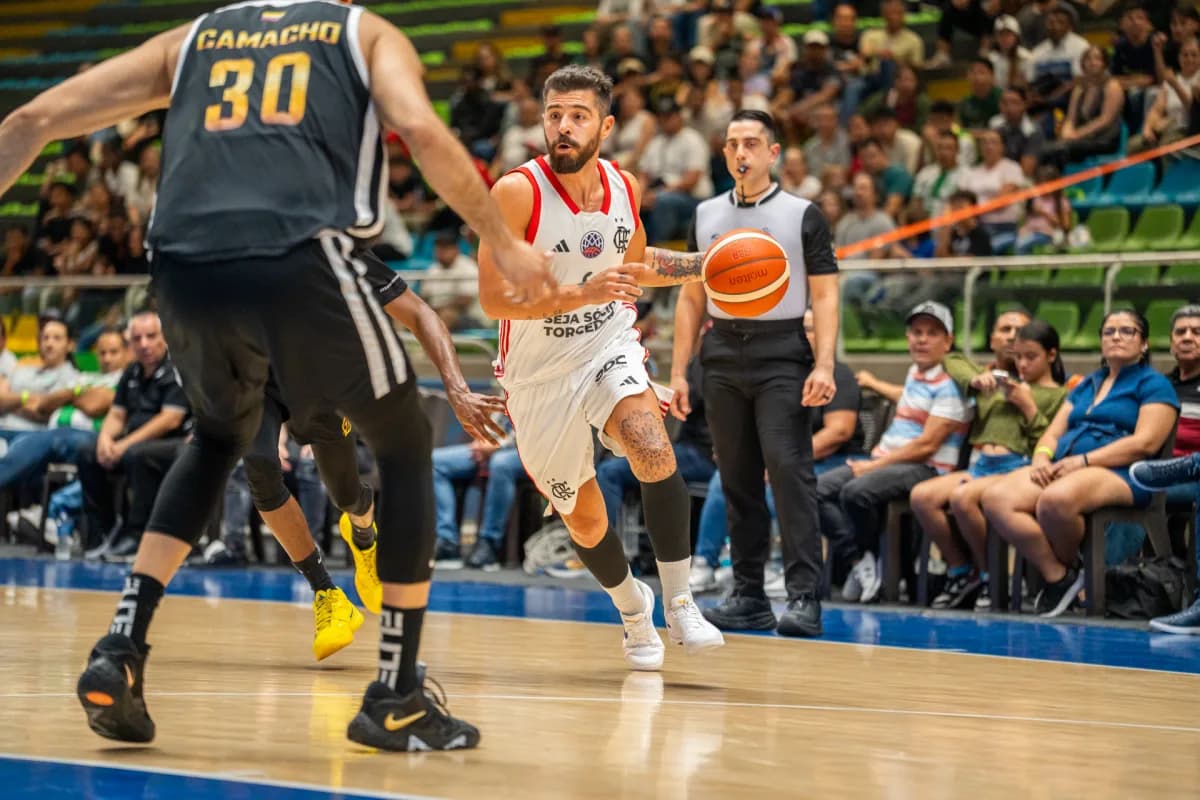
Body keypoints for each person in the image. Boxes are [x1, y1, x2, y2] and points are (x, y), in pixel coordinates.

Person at [0, 0, 556, 751]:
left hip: (182, 266)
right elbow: (421, 130)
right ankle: (396, 693)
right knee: (400, 438)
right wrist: (504, 241)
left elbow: (30, 120)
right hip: (298, 254)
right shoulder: (362, 32)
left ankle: (121, 646)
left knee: (216, 438)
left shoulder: (193, 37)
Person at [479, 64, 726, 670]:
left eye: (578, 116)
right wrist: (580, 293)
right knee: (586, 520)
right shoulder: (516, 192)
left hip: (605, 344)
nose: (563, 127)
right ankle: (632, 612)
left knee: (650, 442)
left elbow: (634, 265)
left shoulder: (624, 186)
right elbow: (492, 298)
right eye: (554, 115)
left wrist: (707, 264)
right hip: (536, 376)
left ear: (606, 126)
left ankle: (680, 601)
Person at [670, 109, 839, 637]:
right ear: (724, 154)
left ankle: (805, 596)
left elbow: (828, 292)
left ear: (773, 154)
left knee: (789, 473)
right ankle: (747, 595)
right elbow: (691, 296)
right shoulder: (705, 215)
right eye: (732, 144)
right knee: (736, 477)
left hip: (782, 351)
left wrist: (826, 362)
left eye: (752, 144)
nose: (741, 153)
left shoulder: (802, 213)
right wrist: (678, 372)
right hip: (721, 351)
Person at [982, 310, 1179, 618]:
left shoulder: (1155, 385)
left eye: (1127, 331)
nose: (1116, 336)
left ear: (1143, 345)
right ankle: (1061, 576)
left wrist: (1084, 461)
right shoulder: (1087, 384)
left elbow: (1145, 443)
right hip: (1067, 466)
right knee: (996, 498)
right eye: (1109, 331)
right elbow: (1053, 432)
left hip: (1125, 474)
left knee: (1055, 499)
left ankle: (1075, 572)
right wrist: (1040, 459)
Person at [690, 309, 861, 594]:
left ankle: (780, 567)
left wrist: (777, 460)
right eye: (799, 329)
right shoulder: (779, 374)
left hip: (833, 460)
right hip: (783, 457)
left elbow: (838, 432)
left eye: (811, 329)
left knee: (780, 483)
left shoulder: (838, 375)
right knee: (726, 479)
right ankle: (705, 564)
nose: (805, 336)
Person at [910, 317, 1066, 611]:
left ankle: (989, 575)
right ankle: (960, 570)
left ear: (1051, 355)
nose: (1022, 364)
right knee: (922, 496)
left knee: (962, 498)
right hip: (982, 466)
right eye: (1017, 357)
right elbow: (952, 359)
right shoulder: (998, 384)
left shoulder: (1059, 395)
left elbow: (1047, 442)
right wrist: (975, 379)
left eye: (1030, 357)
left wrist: (1028, 406)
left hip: (1016, 467)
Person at [825, 302, 973, 603]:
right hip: (889, 460)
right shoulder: (915, 374)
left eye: (932, 333)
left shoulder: (950, 386)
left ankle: (874, 560)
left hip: (926, 467)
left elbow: (927, 446)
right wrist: (875, 384)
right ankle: (861, 561)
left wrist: (873, 466)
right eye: (916, 332)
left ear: (948, 341)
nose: (921, 339)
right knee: (816, 489)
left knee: (856, 492)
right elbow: (906, 398)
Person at [1127, 305, 1200, 634]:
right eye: (1180, 331)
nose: (1188, 337)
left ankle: (1188, 466)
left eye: (1196, 332)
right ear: (1170, 342)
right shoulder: (1157, 385)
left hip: (1181, 481)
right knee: (1117, 488)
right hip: (1151, 472)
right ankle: (1106, 587)